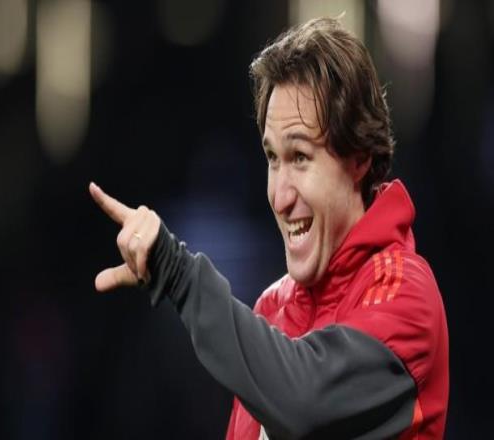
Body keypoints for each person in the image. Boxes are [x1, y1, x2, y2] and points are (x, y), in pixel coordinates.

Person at [89, 17, 448, 439]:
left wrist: (178, 273)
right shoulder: (272, 310)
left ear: (359, 159)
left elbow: (305, 402)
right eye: (273, 159)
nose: (279, 196)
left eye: (300, 157)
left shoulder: (406, 295)